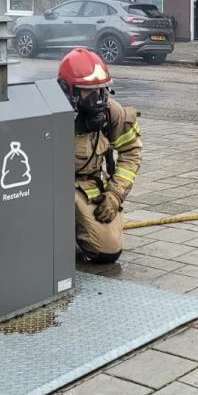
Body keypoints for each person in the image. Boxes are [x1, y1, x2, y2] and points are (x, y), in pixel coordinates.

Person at [57, 47, 142, 264]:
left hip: (86, 189)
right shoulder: (49, 114)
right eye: (89, 91)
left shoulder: (112, 112)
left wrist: (114, 195)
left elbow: (131, 152)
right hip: (50, 191)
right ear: (69, 90)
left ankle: (80, 230)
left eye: (103, 90)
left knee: (108, 250)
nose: (99, 99)